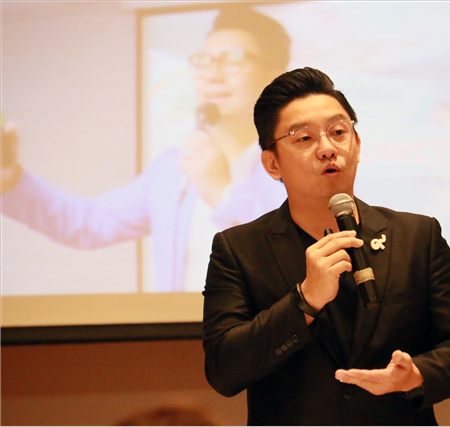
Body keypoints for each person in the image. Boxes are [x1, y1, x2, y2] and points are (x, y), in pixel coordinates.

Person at [202, 67, 450, 425]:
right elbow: (224, 371)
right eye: (304, 138)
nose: (327, 149)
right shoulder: (238, 250)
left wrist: (416, 374)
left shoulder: (417, 236)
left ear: (357, 145)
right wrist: (304, 300)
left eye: (338, 132)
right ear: (272, 164)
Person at [0, 7, 289, 292]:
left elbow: (293, 254)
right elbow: (88, 223)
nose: (212, 75)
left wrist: (223, 195)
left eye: (232, 60)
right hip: (181, 321)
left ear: (274, 77)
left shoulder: (296, 165)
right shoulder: (174, 168)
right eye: (203, 61)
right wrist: (9, 178)